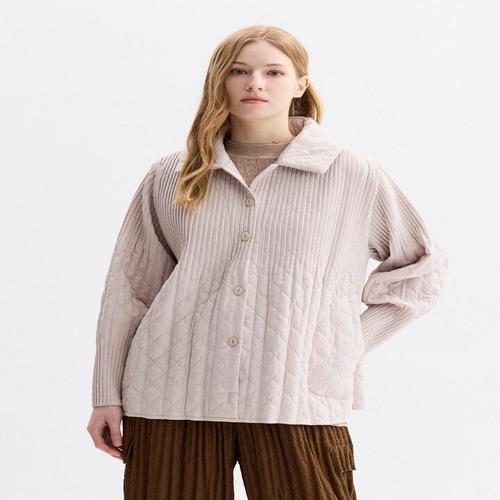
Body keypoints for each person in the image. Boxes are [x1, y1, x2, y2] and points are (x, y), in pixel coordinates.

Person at [86, 24, 448, 500]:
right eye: (239, 71)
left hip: (295, 396)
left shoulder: (351, 174)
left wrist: (345, 343)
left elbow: (421, 271)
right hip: (171, 394)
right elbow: (130, 290)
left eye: (273, 72)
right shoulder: (172, 174)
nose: (255, 83)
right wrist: (106, 394)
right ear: (219, 80)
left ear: (300, 84)